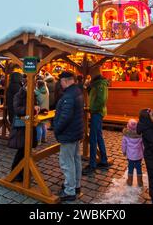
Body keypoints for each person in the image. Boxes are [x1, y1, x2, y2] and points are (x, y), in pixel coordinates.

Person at [53, 71, 84, 202]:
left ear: (66, 80)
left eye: (61, 81)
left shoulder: (69, 96)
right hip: (75, 132)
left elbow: (65, 117)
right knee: (75, 159)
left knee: (67, 162)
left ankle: (69, 190)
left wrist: (56, 129)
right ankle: (76, 185)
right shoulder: (77, 91)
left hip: (68, 133)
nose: (60, 84)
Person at [8, 85, 39, 182]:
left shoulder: (33, 94)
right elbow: (18, 110)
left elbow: (33, 109)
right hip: (21, 126)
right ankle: (15, 172)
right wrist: (31, 108)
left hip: (30, 125)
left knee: (27, 150)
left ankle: (23, 172)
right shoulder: (18, 95)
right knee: (22, 150)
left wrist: (38, 109)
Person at [82, 73, 109, 175]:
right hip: (97, 113)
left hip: (97, 113)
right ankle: (103, 160)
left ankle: (92, 165)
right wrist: (88, 88)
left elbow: (101, 101)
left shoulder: (100, 85)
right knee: (98, 136)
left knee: (93, 138)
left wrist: (92, 109)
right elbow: (94, 96)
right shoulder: (97, 84)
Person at [122, 118, 144, 187]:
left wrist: (124, 151)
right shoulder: (140, 135)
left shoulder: (126, 136)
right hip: (138, 156)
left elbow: (124, 145)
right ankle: (140, 182)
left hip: (130, 156)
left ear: (128, 126)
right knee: (139, 168)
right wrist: (144, 152)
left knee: (130, 168)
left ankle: (130, 181)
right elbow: (143, 145)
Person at [35, 79, 49, 145]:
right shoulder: (46, 90)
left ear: (39, 85)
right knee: (44, 124)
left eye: (37, 84)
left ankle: (38, 141)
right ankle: (44, 138)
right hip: (46, 109)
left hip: (40, 110)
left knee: (39, 126)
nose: (36, 85)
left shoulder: (37, 92)